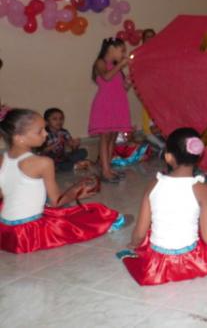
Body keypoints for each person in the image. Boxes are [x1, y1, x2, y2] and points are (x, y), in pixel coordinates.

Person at [118, 128, 207, 285]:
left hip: (157, 264)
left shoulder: (153, 185)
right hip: (192, 262)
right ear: (199, 157)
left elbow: (140, 233)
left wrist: (134, 245)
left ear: (168, 157)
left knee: (154, 231)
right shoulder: (202, 190)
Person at [0, 109, 124, 254]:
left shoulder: (2, 159)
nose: (46, 134)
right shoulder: (43, 162)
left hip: (5, 231)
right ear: (19, 137)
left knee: (56, 212)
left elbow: (6, 194)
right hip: (27, 234)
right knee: (95, 214)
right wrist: (77, 191)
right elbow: (56, 202)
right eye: (40, 131)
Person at [88, 37, 132, 183]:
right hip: (105, 104)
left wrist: (128, 83)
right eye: (122, 50)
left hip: (118, 104)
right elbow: (106, 77)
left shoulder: (116, 68)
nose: (123, 53)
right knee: (105, 137)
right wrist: (120, 65)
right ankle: (105, 171)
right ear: (111, 49)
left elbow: (121, 89)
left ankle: (108, 167)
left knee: (113, 137)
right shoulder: (100, 63)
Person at [41, 107, 89, 172]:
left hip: (62, 157)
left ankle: (68, 165)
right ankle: (72, 166)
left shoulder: (64, 132)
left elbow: (73, 149)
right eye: (55, 119)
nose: (59, 121)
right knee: (49, 161)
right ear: (46, 122)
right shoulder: (44, 133)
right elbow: (42, 151)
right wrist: (56, 143)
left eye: (61, 119)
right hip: (50, 158)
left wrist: (75, 145)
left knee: (83, 152)